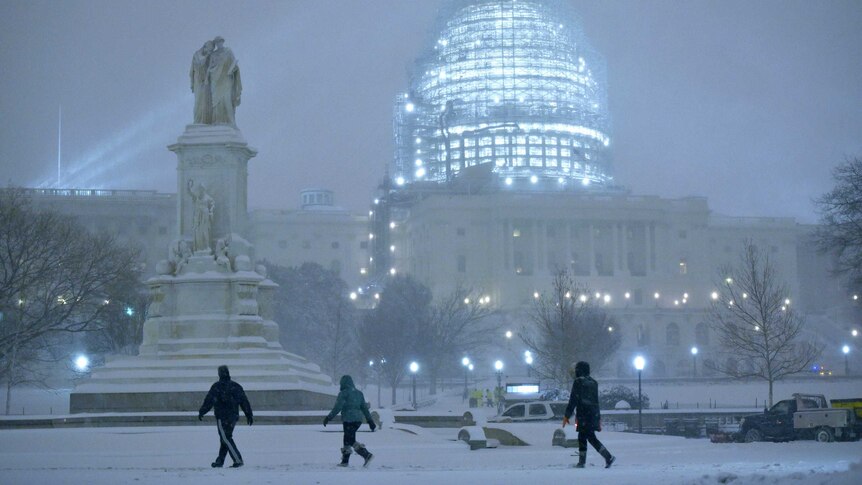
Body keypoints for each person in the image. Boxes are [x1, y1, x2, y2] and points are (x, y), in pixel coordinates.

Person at [198, 365, 253, 468]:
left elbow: (209, 401)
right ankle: (220, 461)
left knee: (226, 438)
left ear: (219, 374)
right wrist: (248, 414)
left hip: (222, 417)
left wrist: (202, 411)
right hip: (233, 416)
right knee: (225, 438)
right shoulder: (235, 386)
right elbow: (244, 401)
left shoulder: (217, 387)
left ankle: (238, 459)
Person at [562, 361, 615, 469]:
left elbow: (573, 399)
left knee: (587, 437)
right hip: (593, 415)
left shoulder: (578, 382)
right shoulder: (594, 382)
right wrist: (597, 417)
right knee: (586, 437)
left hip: (583, 415)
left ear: (579, 370)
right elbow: (595, 401)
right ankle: (586, 461)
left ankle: (606, 457)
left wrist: (567, 415)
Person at [323, 375, 376, 467]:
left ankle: (366, 455)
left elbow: (338, 407)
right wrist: (370, 421)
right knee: (347, 439)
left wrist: (329, 417)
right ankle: (345, 461)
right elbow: (364, 408)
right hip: (358, 420)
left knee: (349, 439)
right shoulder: (359, 393)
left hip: (348, 419)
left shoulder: (343, 393)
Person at [208, 36, 242, 126]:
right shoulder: (213, 54)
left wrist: (232, 69)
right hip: (216, 80)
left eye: (220, 41)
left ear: (223, 42)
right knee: (217, 102)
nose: (219, 43)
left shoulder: (228, 51)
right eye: (217, 42)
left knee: (227, 99)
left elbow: (234, 63)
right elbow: (210, 67)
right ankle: (217, 121)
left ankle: (231, 121)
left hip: (226, 79)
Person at [190, 40, 213, 124]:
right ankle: (197, 121)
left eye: (211, 50)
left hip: (206, 82)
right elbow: (198, 65)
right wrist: (192, 83)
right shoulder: (197, 55)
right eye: (209, 49)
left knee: (206, 101)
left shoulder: (209, 56)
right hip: (198, 81)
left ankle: (206, 120)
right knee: (198, 101)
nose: (209, 52)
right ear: (205, 46)